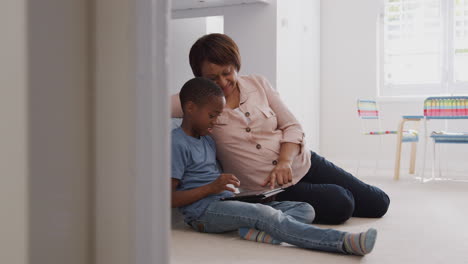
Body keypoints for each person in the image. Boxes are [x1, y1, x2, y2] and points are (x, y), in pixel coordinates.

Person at [171, 33, 390, 225]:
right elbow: (153, 105)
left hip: (300, 161)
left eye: (227, 73)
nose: (223, 82)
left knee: (379, 203)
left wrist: (285, 162)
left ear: (236, 65)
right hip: (269, 187)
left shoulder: (258, 83)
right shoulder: (195, 102)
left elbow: (292, 125)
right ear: (200, 78)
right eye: (212, 78)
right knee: (341, 203)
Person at [171, 77, 377, 255]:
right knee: (267, 215)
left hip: (223, 201)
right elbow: (168, 199)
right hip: (202, 214)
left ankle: (257, 233)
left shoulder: (206, 139)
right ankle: (342, 242)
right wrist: (211, 188)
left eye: (218, 115)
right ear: (190, 108)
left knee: (304, 209)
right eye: (212, 115)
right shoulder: (176, 143)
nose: (216, 121)